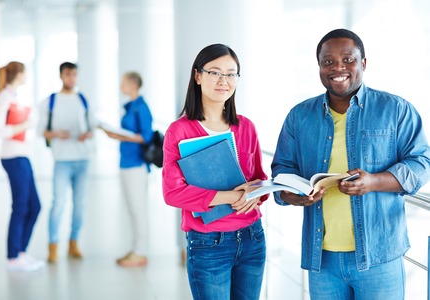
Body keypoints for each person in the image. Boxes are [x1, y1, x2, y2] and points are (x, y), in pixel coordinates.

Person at [271, 28, 430, 299]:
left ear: (363, 63)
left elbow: (422, 163)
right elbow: (282, 170)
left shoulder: (396, 109)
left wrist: (374, 181)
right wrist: (293, 196)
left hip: (380, 256)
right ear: (319, 66)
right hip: (321, 259)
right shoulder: (299, 116)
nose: (338, 68)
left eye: (348, 59)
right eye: (328, 61)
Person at [162, 44, 268, 299]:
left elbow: (259, 179)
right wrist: (231, 197)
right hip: (208, 244)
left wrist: (256, 193)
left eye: (231, 74)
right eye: (215, 73)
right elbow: (173, 193)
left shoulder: (245, 127)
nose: (224, 81)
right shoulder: (180, 131)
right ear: (198, 76)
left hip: (252, 237)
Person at [37, 62, 95, 263]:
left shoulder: (83, 100)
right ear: (61, 76)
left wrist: (87, 134)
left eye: (74, 74)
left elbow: (92, 127)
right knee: (58, 203)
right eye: (68, 74)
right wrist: (54, 134)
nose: (71, 78)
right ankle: (53, 245)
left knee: (79, 204)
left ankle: (74, 243)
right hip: (61, 158)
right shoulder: (49, 102)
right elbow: (40, 131)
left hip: (82, 158)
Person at [0, 61, 45, 272]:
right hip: (13, 157)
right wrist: (25, 125)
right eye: (25, 73)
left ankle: (20, 251)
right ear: (19, 74)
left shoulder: (13, 96)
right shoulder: (4, 98)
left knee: (35, 206)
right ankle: (13, 256)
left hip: (22, 155)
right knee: (21, 206)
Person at [101, 71, 153, 267]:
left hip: (136, 164)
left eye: (123, 82)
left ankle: (140, 252)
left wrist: (118, 136)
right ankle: (136, 249)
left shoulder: (141, 107)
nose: (121, 85)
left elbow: (146, 136)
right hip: (127, 162)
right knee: (133, 209)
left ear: (132, 84)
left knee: (138, 209)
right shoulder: (131, 106)